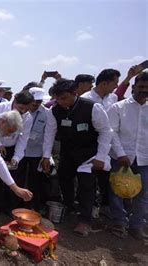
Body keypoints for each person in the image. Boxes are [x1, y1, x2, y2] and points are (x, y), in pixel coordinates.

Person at [42, 79, 112, 238]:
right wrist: (46, 156)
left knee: (86, 186)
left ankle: (85, 220)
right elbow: (49, 134)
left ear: (75, 93)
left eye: (64, 98)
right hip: (68, 153)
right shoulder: (54, 111)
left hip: (89, 155)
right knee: (64, 180)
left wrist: (100, 157)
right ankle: (69, 207)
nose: (60, 102)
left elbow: (106, 132)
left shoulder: (92, 108)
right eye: (57, 99)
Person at [107, 71, 148, 240]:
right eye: (141, 87)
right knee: (116, 191)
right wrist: (121, 153)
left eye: (147, 87)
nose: (144, 90)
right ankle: (119, 222)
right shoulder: (119, 107)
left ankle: (136, 225)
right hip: (121, 158)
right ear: (133, 87)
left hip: (144, 158)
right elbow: (111, 132)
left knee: (143, 193)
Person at [80, 69, 120, 217]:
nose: (116, 86)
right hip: (89, 145)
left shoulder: (113, 98)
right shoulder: (85, 99)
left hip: (109, 146)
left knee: (106, 180)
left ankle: (101, 207)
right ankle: (87, 211)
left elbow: (110, 128)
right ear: (104, 83)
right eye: (115, 83)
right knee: (88, 181)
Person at [0, 90, 34, 215]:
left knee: (14, 176)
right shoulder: (0, 108)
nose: (23, 111)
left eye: (26, 109)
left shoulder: (28, 118)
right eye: (20, 108)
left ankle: (9, 207)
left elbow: (23, 139)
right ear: (14, 101)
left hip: (13, 148)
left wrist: (17, 157)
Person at [18, 87, 50, 211]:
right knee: (18, 178)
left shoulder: (47, 113)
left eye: (39, 101)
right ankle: (16, 205)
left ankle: (32, 207)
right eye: (34, 101)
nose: (35, 104)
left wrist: (46, 155)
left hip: (36, 152)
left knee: (34, 181)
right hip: (20, 151)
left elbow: (48, 135)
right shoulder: (21, 111)